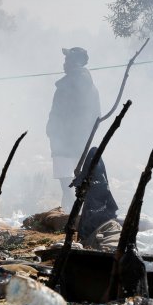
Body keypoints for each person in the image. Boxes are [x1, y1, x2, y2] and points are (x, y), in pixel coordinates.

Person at [46, 47, 100, 209]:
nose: (64, 64)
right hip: (81, 140)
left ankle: (70, 212)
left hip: (64, 139)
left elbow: (59, 112)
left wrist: (53, 129)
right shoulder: (92, 87)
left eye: (67, 60)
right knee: (78, 179)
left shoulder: (68, 85)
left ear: (75, 62)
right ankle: (75, 211)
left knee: (67, 184)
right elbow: (97, 114)